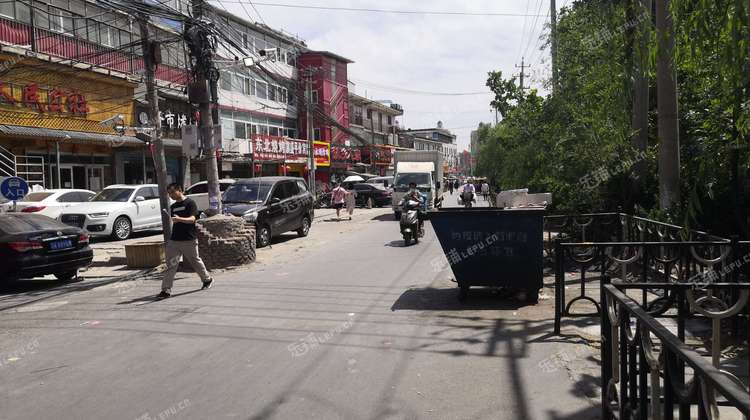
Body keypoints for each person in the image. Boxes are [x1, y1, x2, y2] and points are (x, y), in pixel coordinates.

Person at [157, 183, 213, 300]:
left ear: (180, 190)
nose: (171, 195)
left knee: (195, 261)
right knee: (171, 265)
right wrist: (175, 220)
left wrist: (179, 219)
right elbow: (175, 221)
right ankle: (166, 290)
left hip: (189, 239)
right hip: (174, 241)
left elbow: (193, 219)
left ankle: (207, 279)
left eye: (172, 192)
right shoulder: (172, 207)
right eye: (169, 193)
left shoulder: (190, 203)